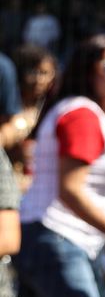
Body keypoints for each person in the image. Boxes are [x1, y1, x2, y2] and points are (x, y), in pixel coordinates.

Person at [14, 35, 105, 297]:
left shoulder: (80, 111)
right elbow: (70, 190)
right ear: (86, 70)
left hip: (45, 239)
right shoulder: (81, 114)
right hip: (57, 239)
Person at [1, 45, 58, 191]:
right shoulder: (11, 104)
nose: (38, 79)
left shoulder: (54, 107)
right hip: (10, 177)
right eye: (33, 72)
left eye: (44, 73)